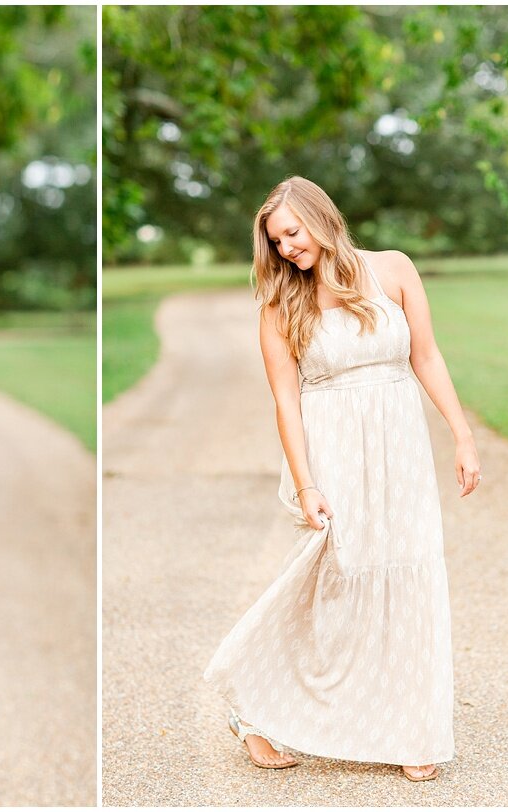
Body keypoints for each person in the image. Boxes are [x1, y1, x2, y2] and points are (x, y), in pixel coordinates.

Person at [204, 176, 481, 782]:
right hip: (335, 455)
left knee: (411, 574)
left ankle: (414, 727)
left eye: (292, 234)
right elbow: (285, 403)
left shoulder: (395, 270)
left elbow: (426, 356)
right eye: (276, 242)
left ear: (320, 218)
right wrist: (307, 485)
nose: (286, 250)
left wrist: (460, 435)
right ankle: (254, 710)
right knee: (336, 585)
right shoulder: (280, 307)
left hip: (401, 448)